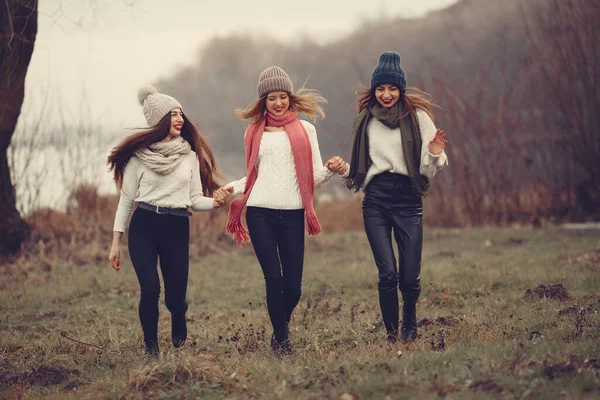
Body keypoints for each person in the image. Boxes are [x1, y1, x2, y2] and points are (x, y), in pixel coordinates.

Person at [220, 66, 347, 356]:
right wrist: (229, 189)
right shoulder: (253, 132)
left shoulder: (306, 130)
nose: (278, 103)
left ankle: (279, 330)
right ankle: (282, 340)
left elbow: (314, 176)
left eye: (282, 96)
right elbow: (251, 175)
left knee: (293, 288)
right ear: (262, 101)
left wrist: (330, 170)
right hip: (260, 211)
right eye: (271, 98)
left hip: (292, 214)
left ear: (290, 97)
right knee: (273, 279)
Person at [107, 85, 231, 356]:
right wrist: (116, 242)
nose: (179, 119)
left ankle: (178, 315)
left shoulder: (189, 157)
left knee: (175, 297)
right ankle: (151, 347)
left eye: (180, 114)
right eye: (172, 114)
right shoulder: (138, 159)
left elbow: (195, 198)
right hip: (144, 227)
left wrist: (216, 202)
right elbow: (127, 201)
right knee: (150, 289)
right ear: (159, 121)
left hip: (177, 228)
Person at [343, 51, 448, 343]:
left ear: (400, 89)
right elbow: (363, 167)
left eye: (391, 88)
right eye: (380, 88)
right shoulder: (365, 120)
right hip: (375, 199)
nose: (386, 94)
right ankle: (392, 335)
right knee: (387, 273)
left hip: (407, 198)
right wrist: (342, 169)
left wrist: (434, 153)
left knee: (409, 276)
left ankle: (410, 322)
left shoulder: (418, 117)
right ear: (373, 90)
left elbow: (427, 169)